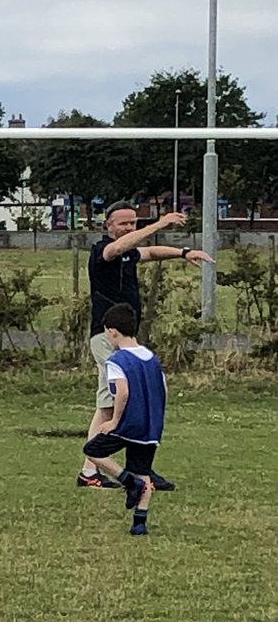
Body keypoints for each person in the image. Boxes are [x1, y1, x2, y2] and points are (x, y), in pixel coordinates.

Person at [77, 200, 214, 490]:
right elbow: (117, 249)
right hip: (107, 337)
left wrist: (184, 252)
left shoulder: (129, 254)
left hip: (126, 339)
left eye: (133, 222)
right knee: (111, 402)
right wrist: (160, 223)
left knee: (128, 400)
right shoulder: (102, 251)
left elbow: (150, 251)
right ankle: (93, 470)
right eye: (123, 223)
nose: (129, 227)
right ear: (108, 226)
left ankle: (137, 470)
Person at [82, 303, 166, 536]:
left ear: (112, 332)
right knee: (144, 470)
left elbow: (123, 392)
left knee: (92, 450)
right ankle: (140, 523)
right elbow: (163, 389)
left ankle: (128, 482)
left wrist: (115, 421)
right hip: (150, 425)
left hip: (129, 423)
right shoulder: (151, 357)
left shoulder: (117, 361)